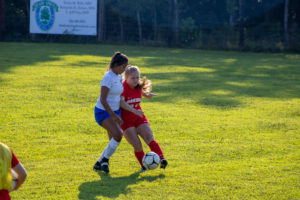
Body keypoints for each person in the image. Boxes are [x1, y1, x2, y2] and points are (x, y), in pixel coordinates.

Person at [93, 52, 143, 173]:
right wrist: (114, 116)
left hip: (116, 111)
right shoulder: (108, 77)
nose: (124, 69)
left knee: (113, 140)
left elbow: (121, 92)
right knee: (118, 135)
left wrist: (144, 93)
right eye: (123, 67)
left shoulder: (119, 76)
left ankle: (101, 162)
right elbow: (103, 100)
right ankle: (102, 161)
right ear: (116, 65)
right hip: (103, 112)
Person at [121, 65, 168, 172]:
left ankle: (162, 159)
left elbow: (139, 92)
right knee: (137, 145)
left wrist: (147, 95)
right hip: (126, 121)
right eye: (133, 78)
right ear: (126, 78)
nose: (136, 80)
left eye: (137, 77)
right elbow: (121, 102)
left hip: (139, 117)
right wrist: (134, 111)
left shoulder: (138, 85)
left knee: (149, 137)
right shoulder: (123, 87)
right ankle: (144, 165)